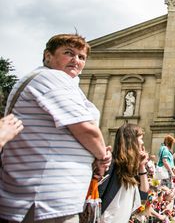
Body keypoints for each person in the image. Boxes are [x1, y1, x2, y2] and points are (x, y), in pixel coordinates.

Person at [0, 33, 112, 222]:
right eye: (69, 53)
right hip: (44, 199)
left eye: (81, 57)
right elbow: (85, 129)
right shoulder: (50, 78)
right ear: (48, 56)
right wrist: (102, 157)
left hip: (49, 198)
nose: (76, 60)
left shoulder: (63, 83)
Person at [100, 124, 149, 223]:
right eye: (140, 138)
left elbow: (143, 195)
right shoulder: (112, 164)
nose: (143, 142)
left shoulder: (131, 168)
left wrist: (142, 166)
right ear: (131, 141)